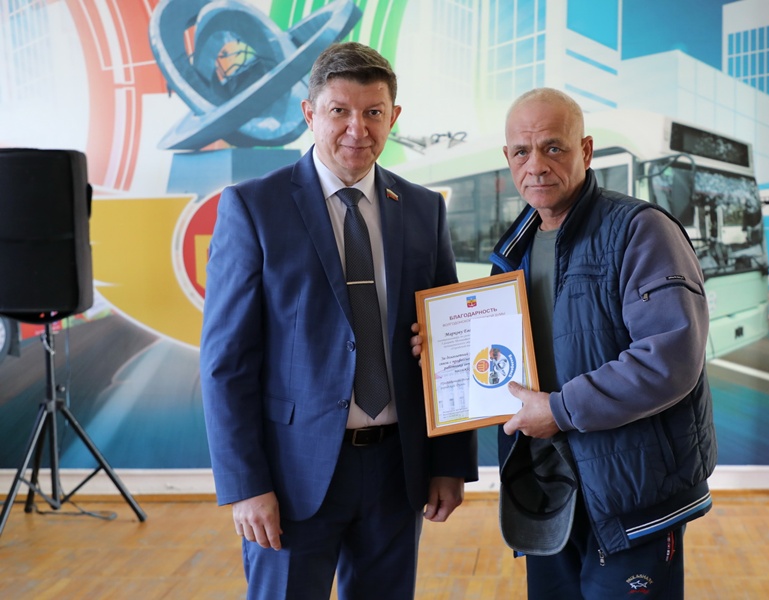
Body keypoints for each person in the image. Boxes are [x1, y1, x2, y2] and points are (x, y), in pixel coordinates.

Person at [199, 42, 478, 600]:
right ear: (310, 114)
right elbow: (226, 363)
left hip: (397, 470)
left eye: (374, 112)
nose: (358, 129)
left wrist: (450, 462)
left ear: (394, 117)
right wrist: (246, 485)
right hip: (291, 475)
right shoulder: (253, 208)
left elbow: (450, 344)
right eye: (339, 111)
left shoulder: (424, 209)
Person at [493, 88, 717, 598]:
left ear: (586, 150)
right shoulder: (513, 249)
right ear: (508, 158)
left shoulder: (640, 230)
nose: (536, 165)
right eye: (522, 151)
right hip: (549, 483)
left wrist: (560, 409)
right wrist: (443, 357)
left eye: (553, 147)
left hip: (631, 492)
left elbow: (670, 358)